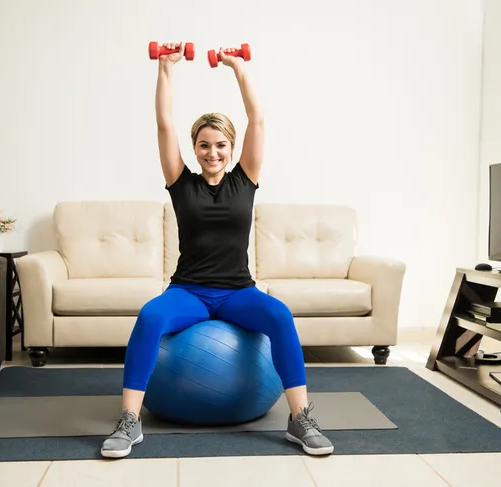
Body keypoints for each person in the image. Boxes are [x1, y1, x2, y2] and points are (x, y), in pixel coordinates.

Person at [100, 42, 334, 459]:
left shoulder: (246, 178)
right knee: (151, 315)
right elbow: (164, 125)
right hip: (188, 291)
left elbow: (258, 118)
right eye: (205, 145)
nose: (213, 152)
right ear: (195, 149)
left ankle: (300, 418)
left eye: (221, 144)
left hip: (237, 292)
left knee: (279, 315)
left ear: (231, 148)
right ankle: (129, 422)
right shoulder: (180, 182)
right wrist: (165, 70)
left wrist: (237, 68)